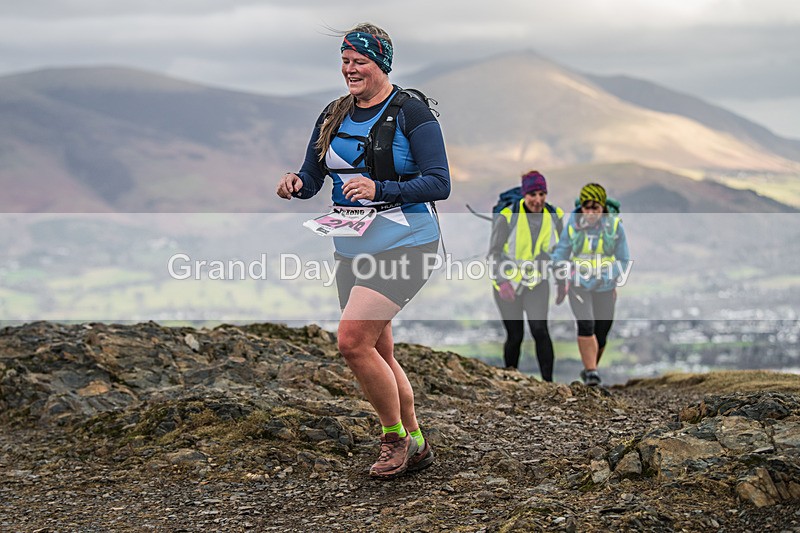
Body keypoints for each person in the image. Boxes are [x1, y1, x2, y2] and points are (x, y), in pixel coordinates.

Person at [276, 22, 449, 479]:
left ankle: (393, 439)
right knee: (379, 350)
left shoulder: (411, 113)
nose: (350, 70)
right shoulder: (334, 113)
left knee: (352, 342)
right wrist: (297, 184)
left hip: (407, 243)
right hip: (351, 246)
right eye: (345, 62)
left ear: (382, 64)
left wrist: (381, 188)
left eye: (360, 62)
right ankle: (416, 440)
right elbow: (314, 175)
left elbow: (439, 182)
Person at [550, 183, 631, 386]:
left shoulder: (614, 226)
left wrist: (607, 276)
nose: (591, 212)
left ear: (603, 207)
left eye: (596, 207)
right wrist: (567, 270)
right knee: (586, 324)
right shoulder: (573, 225)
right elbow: (560, 254)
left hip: (605, 286)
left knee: (601, 333)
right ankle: (592, 372)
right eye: (587, 207)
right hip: (578, 285)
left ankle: (590, 368)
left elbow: (623, 260)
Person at [489, 170, 564, 381]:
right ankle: (512, 380)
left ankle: (548, 383)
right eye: (533, 194)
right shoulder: (507, 217)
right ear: (524, 195)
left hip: (537, 283)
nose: (538, 200)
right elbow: (494, 253)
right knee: (515, 336)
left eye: (542, 194)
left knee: (540, 330)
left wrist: (561, 281)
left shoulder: (555, 216)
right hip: (507, 285)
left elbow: (560, 251)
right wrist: (502, 282)